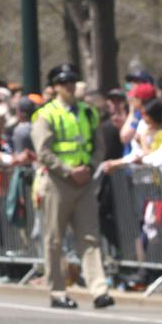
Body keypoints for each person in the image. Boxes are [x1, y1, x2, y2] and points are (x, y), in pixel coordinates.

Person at [31, 64, 114, 309]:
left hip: (84, 181)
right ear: (55, 86)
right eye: (64, 81)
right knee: (54, 240)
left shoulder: (89, 112)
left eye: (72, 80)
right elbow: (42, 151)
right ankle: (58, 292)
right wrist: (69, 171)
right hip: (58, 182)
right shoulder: (47, 114)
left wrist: (89, 167)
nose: (69, 85)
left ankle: (99, 290)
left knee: (89, 238)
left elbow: (98, 146)